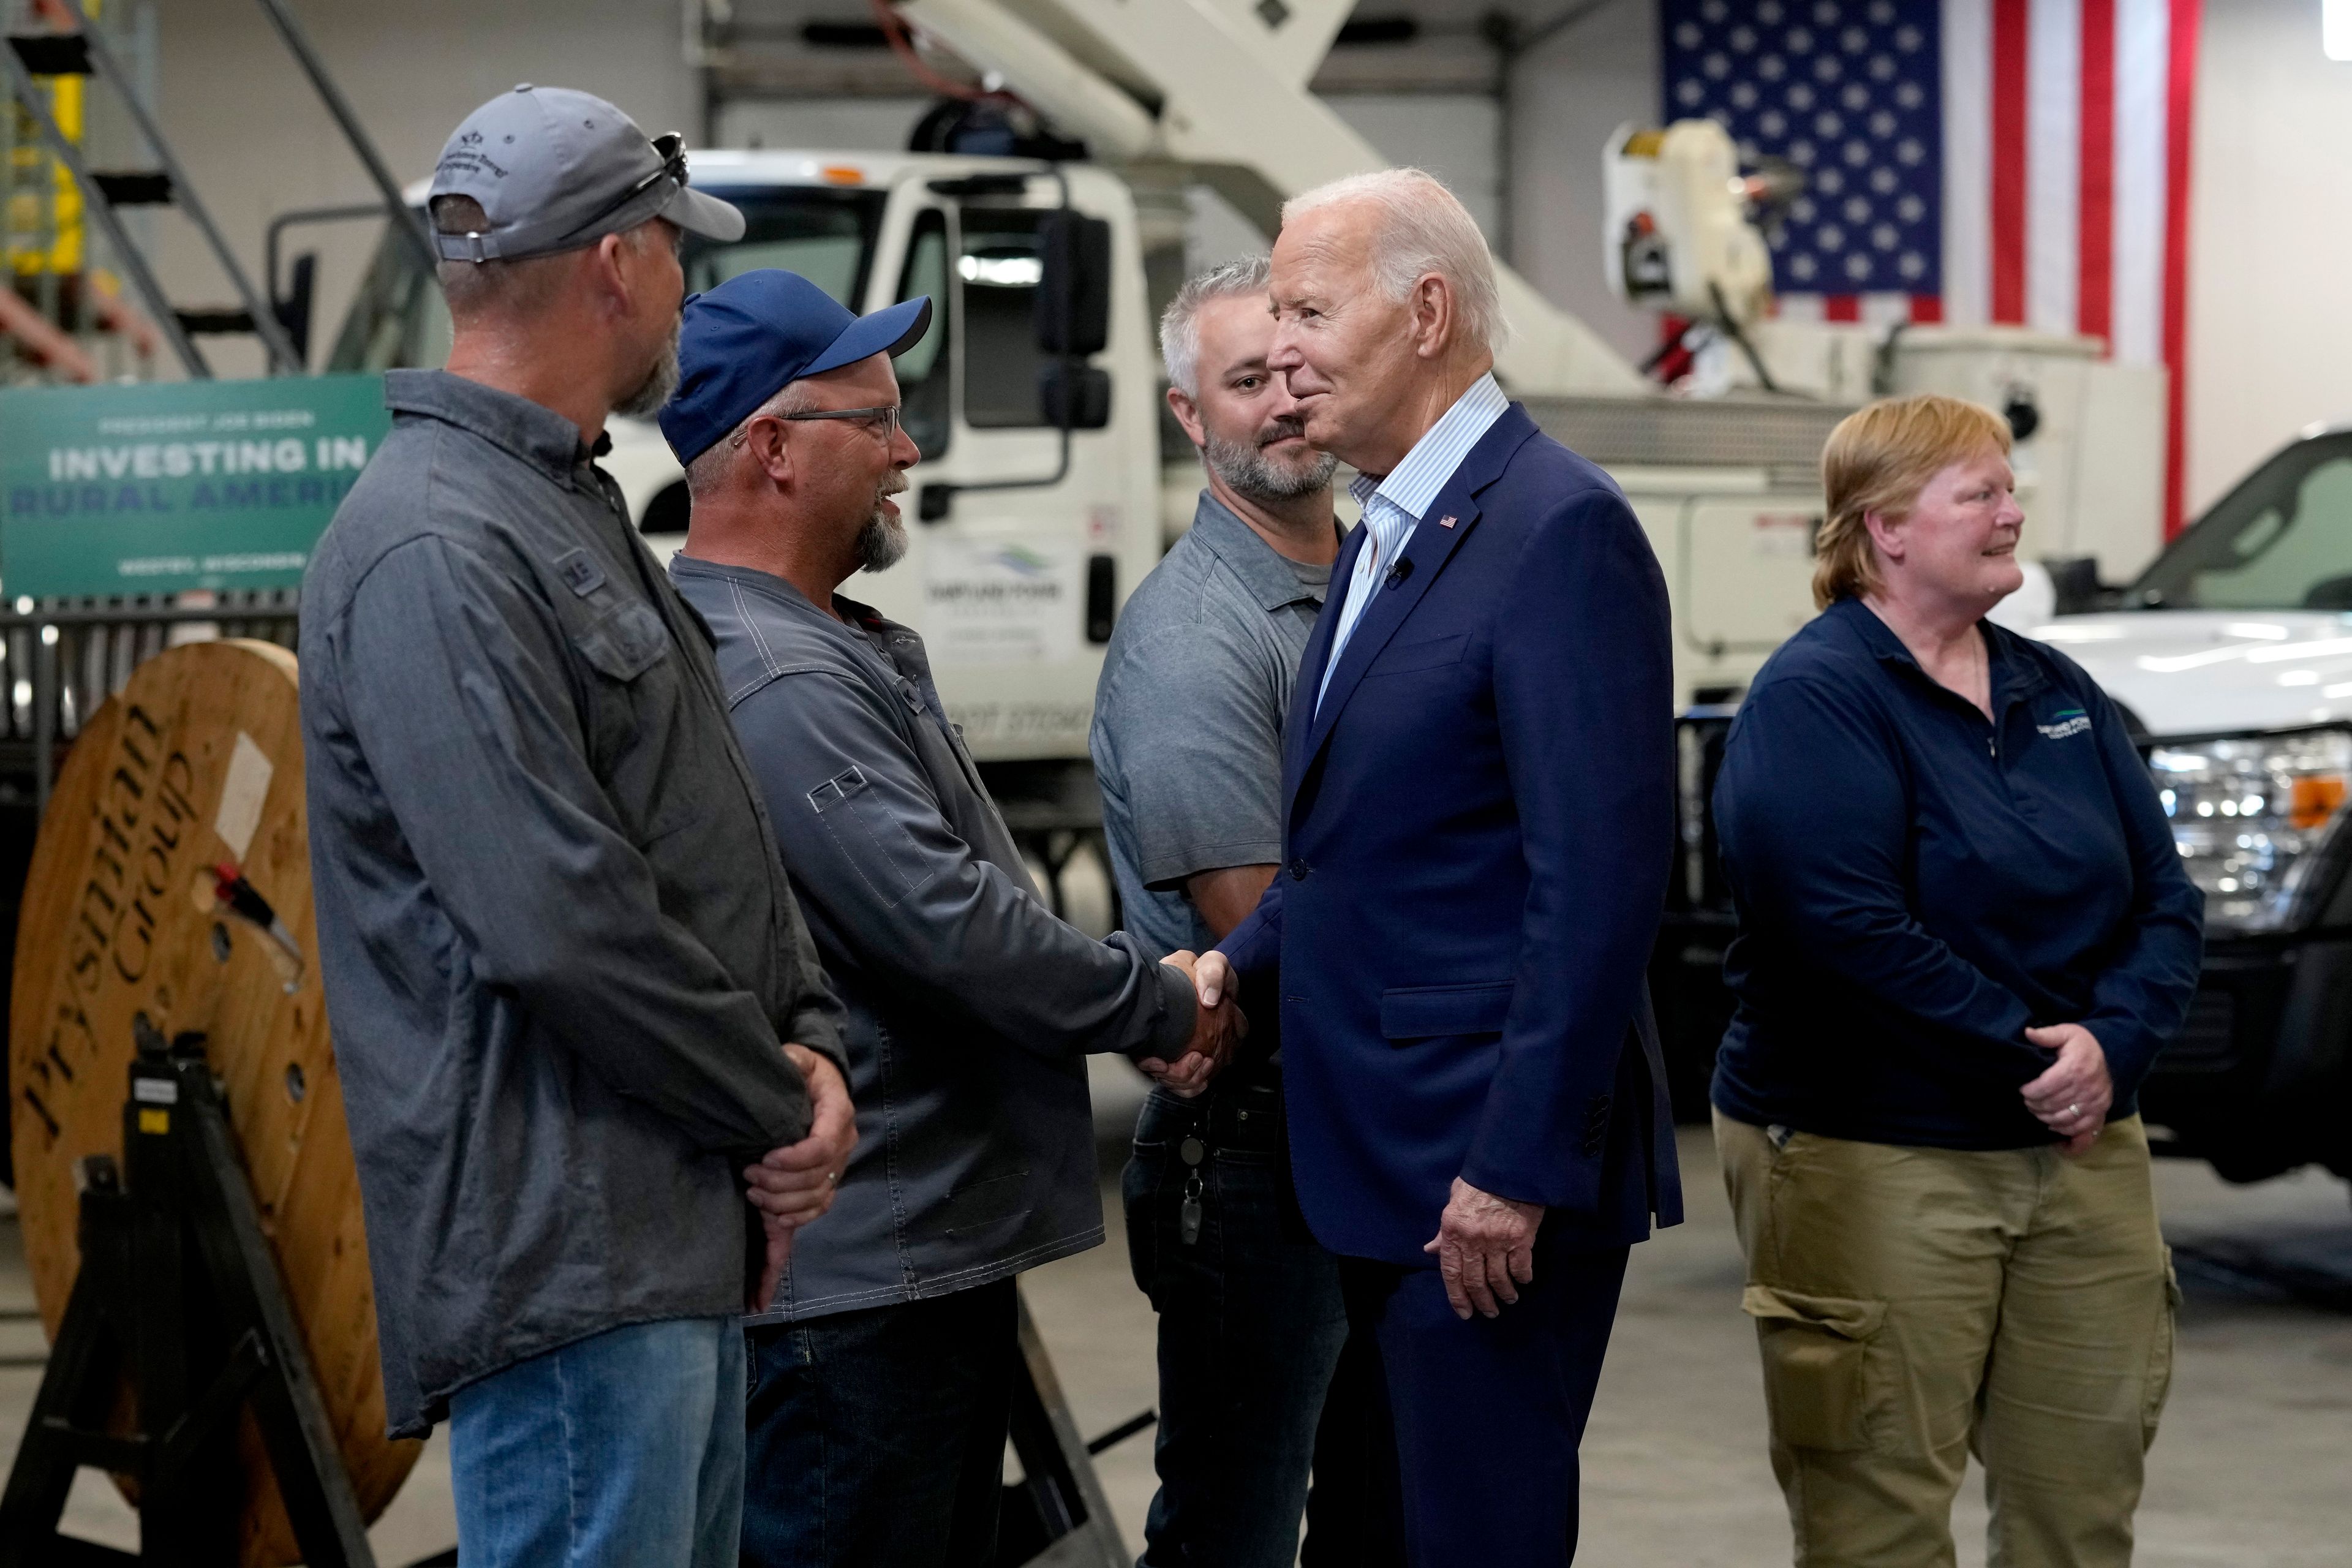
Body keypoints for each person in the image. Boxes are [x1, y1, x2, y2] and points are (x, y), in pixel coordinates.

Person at [301, 90, 859, 1568]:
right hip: (571, 1257)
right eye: (680, 254)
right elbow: (557, 916)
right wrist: (775, 1099)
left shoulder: (558, 505)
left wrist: (809, 1049)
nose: (690, 286)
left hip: (659, 1232)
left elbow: (697, 832)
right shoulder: (437, 540)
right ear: (617, 264)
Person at [655, 268, 1242, 1568]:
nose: (907, 449)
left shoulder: (799, 635)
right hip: (863, 1282)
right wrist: (1158, 998)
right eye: (876, 421)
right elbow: (949, 921)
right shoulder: (776, 676)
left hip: (893, 1262)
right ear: (772, 448)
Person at [1191, 168, 1684, 1567]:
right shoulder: (1398, 526)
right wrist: (1239, 958)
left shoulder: (1554, 528)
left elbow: (1595, 885)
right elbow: (1368, 844)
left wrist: (1515, 1166)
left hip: (1480, 1177)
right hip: (1383, 1157)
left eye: (1305, 305)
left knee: (1477, 1535)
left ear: (1424, 312)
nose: (1277, 341)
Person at [1708, 392, 2203, 1567]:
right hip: (1880, 1150)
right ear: (1883, 526)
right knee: (1876, 1516)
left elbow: (2168, 901)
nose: (2011, 513)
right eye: (1978, 492)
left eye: (2008, 488)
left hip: (2081, 1148)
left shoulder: (2059, 691)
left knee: (2080, 1510)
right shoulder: (1816, 700)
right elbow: (1843, 931)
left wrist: (2113, 1048)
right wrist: (2038, 1053)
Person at [1091, 254, 1393, 1568]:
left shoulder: (1381, 579)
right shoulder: (1195, 636)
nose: (1284, 400)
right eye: (1247, 379)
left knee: (1382, 1513)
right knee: (1234, 1533)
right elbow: (1270, 925)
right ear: (1187, 413)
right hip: (1262, 1149)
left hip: (1374, 1130)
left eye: (1301, 371)